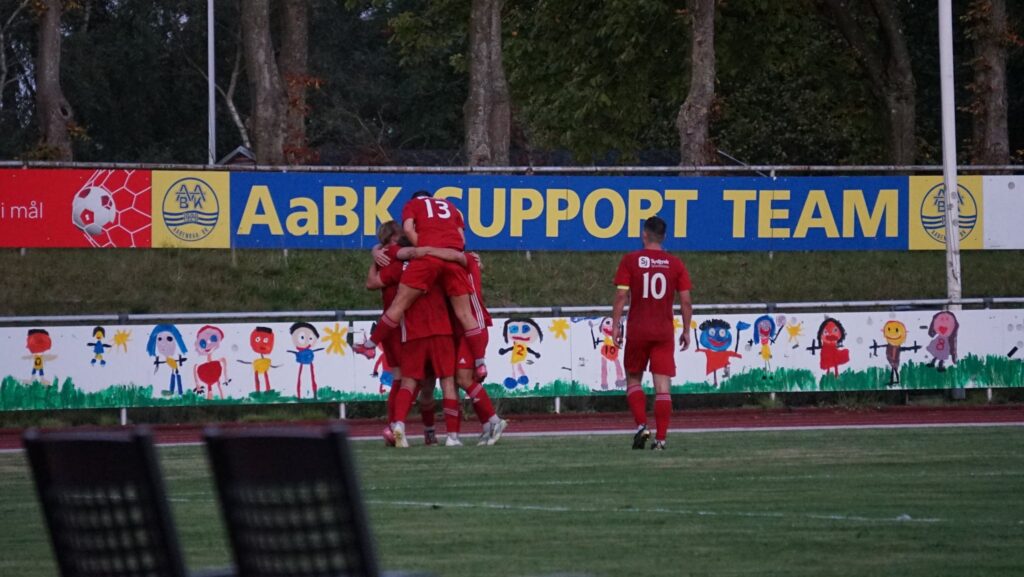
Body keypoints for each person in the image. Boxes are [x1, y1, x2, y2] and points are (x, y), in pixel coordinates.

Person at [353, 191, 489, 382]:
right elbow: (462, 242)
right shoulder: (452, 208)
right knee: (450, 377)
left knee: (398, 307)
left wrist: (424, 249)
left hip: (417, 323)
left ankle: (370, 344)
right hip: (451, 264)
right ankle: (480, 362)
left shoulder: (413, 211)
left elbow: (407, 232)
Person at [611, 216, 692, 451]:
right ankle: (661, 440)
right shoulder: (675, 264)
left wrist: (615, 325)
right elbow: (686, 301)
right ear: (664, 237)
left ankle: (641, 425)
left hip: (638, 329)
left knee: (634, 378)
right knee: (662, 386)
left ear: (644, 235)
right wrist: (686, 330)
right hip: (664, 331)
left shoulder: (631, 260)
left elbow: (621, 295)